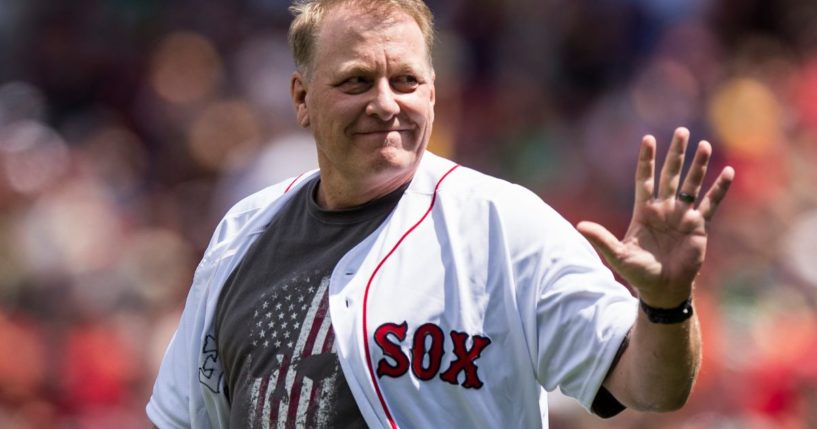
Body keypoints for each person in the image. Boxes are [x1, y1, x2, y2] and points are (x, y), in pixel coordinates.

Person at [146, 0, 735, 427]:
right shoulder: (244, 232)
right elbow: (183, 416)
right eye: (356, 81)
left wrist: (665, 304)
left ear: (432, 92)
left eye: (406, 80)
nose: (385, 102)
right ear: (302, 98)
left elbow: (649, 387)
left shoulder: (505, 225)